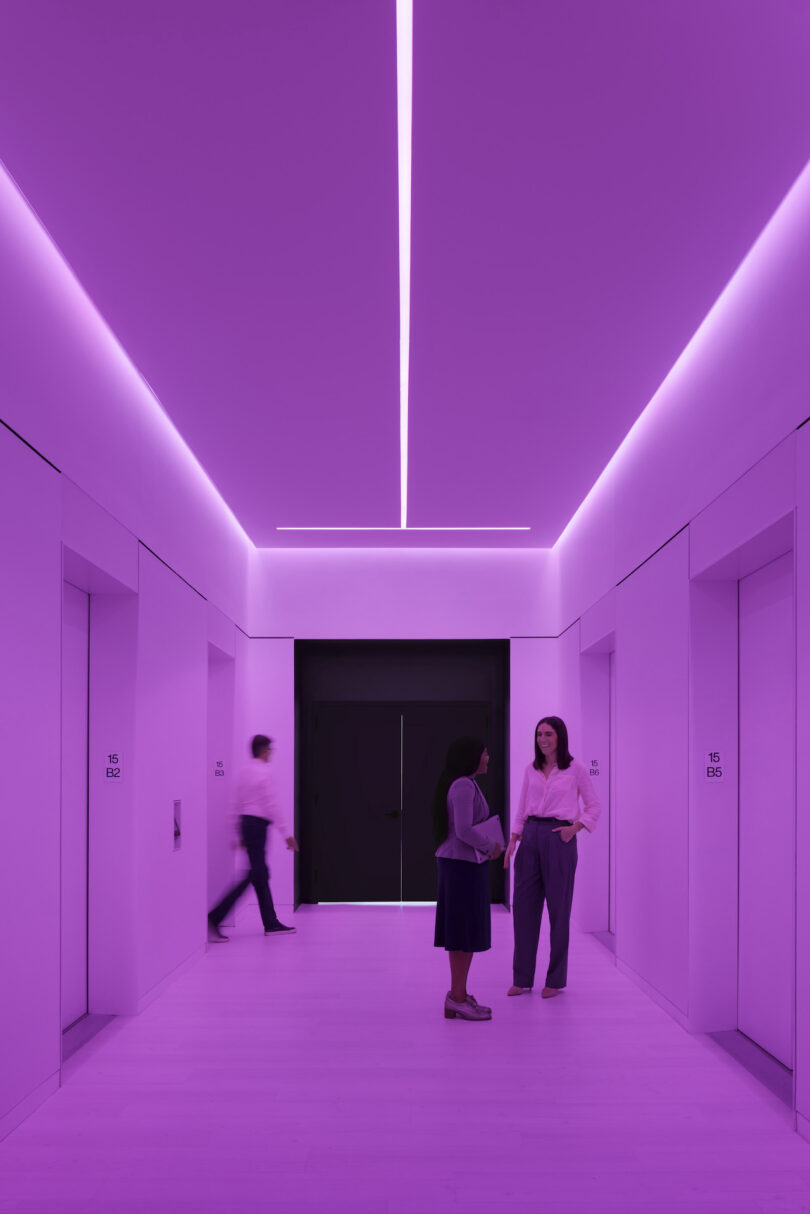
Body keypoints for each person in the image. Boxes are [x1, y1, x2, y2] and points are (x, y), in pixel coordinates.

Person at [504, 716, 600, 998]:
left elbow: (594, 806)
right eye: (539, 735)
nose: (542, 739)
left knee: (559, 911)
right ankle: (522, 978)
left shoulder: (576, 769)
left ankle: (555, 980)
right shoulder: (530, 769)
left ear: (560, 737)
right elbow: (522, 806)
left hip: (559, 839)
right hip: (530, 836)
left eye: (548, 734)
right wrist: (513, 839)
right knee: (523, 910)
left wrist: (574, 829)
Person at [433, 736, 504, 1021]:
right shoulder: (462, 785)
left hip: (466, 865)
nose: (488, 758)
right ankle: (457, 998)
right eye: (485, 753)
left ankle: (459, 994)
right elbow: (463, 829)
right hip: (460, 866)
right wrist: (491, 846)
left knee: (465, 932)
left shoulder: (468, 783)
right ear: (472, 757)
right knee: (462, 933)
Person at [208, 734, 299, 941]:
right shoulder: (264, 773)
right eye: (271, 750)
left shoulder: (243, 773)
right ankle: (216, 916)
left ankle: (271, 923)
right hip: (257, 826)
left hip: (246, 824)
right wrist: (286, 834)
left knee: (260, 874)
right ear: (264, 751)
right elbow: (272, 805)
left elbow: (235, 805)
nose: (271, 754)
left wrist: (236, 833)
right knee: (256, 874)